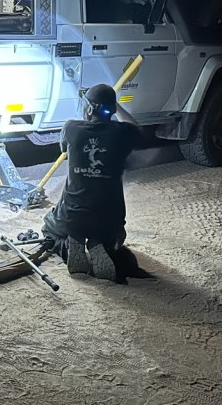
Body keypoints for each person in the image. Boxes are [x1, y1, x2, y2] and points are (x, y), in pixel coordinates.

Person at [41, 83, 151, 283]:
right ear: (112, 109)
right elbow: (138, 130)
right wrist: (117, 109)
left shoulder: (71, 128)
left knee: (48, 227)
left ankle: (71, 244)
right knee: (114, 237)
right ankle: (99, 243)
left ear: (90, 109)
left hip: (73, 216)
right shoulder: (123, 132)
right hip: (110, 219)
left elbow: (64, 149)